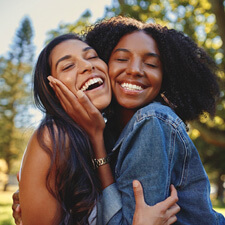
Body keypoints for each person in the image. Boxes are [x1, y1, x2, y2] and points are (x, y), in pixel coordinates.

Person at [45, 16, 225, 224]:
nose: (135, 70)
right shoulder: (106, 131)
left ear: (165, 76)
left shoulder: (152, 121)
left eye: (151, 64)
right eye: (122, 59)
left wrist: (96, 143)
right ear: (104, 64)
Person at [12, 33, 180, 225]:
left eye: (92, 56)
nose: (87, 65)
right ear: (52, 91)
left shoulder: (114, 136)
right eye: (68, 66)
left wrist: (96, 137)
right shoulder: (52, 138)